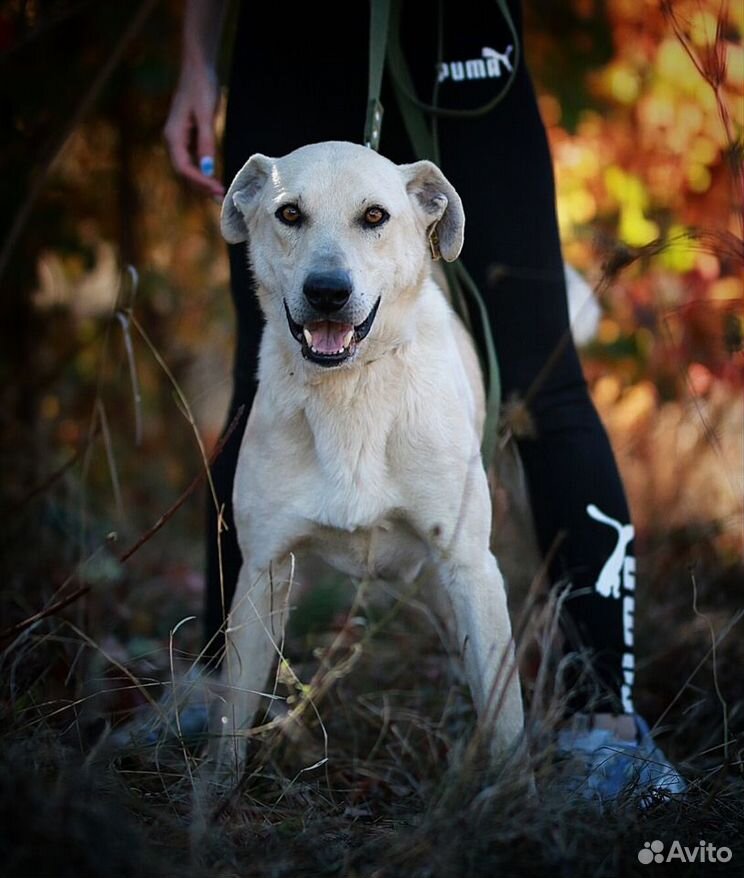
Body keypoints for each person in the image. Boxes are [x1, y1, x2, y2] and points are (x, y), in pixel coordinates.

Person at [162, 0, 685, 805]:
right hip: (287, 45)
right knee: (262, 363)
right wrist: (196, 58)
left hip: (458, 32)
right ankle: (216, 697)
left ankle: (603, 727)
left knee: (544, 374)